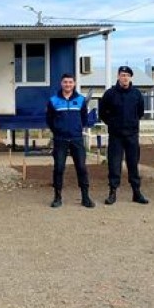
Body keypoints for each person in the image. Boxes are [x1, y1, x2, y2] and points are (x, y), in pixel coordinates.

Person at [99, 66, 148, 205]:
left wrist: (132, 123)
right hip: (116, 136)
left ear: (130, 77)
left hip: (132, 135)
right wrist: (112, 123)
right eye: (122, 75)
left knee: (133, 164)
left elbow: (140, 112)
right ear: (118, 76)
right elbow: (102, 112)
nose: (125, 77)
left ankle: (136, 193)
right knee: (114, 164)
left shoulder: (137, 94)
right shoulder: (110, 94)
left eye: (127, 75)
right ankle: (112, 192)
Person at [46, 73, 95, 209]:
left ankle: (85, 197)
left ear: (74, 84)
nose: (68, 84)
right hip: (60, 139)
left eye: (70, 82)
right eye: (65, 82)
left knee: (81, 168)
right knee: (59, 168)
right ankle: (57, 197)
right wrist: (57, 130)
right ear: (61, 83)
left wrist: (77, 129)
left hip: (76, 139)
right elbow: (49, 119)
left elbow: (84, 118)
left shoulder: (80, 100)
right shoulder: (53, 100)